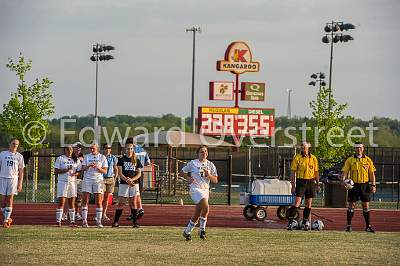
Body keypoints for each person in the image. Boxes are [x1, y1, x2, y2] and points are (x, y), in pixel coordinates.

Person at [180, 145, 218, 241]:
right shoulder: (193, 163)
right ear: (198, 154)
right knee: (206, 207)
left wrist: (208, 175)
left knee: (197, 214)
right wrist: (188, 178)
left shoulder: (210, 165)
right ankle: (202, 230)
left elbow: (215, 180)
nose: (204, 153)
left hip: (205, 189)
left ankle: (187, 232)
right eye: (201, 151)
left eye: (205, 151)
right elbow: (182, 172)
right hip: (195, 189)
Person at [341, 142, 377, 233]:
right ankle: (348, 226)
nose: (358, 149)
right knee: (351, 205)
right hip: (353, 186)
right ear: (354, 149)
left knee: (365, 205)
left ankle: (368, 226)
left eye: (360, 148)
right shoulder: (350, 160)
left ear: (363, 148)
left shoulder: (368, 160)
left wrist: (373, 185)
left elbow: (372, 174)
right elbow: (345, 172)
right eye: (357, 148)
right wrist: (343, 181)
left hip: (365, 185)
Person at [286, 142, 320, 231]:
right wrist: (293, 185)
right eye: (302, 147)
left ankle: (305, 222)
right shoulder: (297, 158)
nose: (303, 149)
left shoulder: (313, 158)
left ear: (308, 148)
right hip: (301, 181)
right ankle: (290, 222)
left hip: (311, 182)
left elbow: (316, 172)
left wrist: (317, 183)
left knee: (308, 203)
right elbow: (293, 172)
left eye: (305, 147)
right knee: (297, 202)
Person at [112, 142, 143, 228]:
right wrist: (127, 180)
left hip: (134, 184)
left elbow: (139, 174)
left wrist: (131, 180)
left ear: (133, 150)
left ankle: (135, 222)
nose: (129, 150)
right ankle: (116, 222)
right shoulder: (121, 160)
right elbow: (120, 173)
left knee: (133, 203)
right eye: (128, 149)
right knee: (121, 203)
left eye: (131, 149)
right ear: (125, 150)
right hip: (124, 184)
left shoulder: (137, 160)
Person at [80, 143, 108, 227]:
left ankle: (99, 221)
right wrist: (88, 165)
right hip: (87, 179)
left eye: (93, 148)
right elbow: (82, 169)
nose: (92, 150)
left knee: (99, 201)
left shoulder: (102, 157)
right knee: (85, 200)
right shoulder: (87, 156)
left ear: (97, 149)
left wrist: (98, 167)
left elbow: (105, 171)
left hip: (98, 180)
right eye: (91, 148)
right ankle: (84, 221)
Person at [0, 138, 25, 228]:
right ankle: (7, 217)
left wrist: (20, 183)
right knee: (2, 201)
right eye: (13, 143)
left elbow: (21, 171)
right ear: (10, 143)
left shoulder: (19, 156)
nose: (15, 145)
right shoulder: (2, 154)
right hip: (2, 178)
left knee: (10, 200)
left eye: (17, 144)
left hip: (13, 179)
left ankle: (6, 221)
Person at [54, 145, 80, 227]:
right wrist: (66, 170)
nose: (69, 150)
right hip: (63, 182)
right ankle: (58, 221)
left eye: (71, 149)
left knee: (72, 202)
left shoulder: (76, 159)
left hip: (72, 182)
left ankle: (72, 221)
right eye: (67, 149)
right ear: (65, 150)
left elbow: (79, 171)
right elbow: (56, 171)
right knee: (61, 201)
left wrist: (75, 173)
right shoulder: (60, 158)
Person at [126, 139, 150, 221]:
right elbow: (148, 162)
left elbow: (127, 160)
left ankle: (133, 213)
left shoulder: (130, 150)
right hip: (141, 173)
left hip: (132, 173)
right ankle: (140, 208)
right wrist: (141, 165)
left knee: (131, 195)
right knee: (137, 193)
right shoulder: (143, 150)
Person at [102, 143, 118, 222]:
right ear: (103, 149)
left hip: (110, 179)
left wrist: (115, 178)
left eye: (109, 148)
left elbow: (116, 168)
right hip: (101, 179)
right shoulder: (101, 157)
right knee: (100, 198)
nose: (107, 149)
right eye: (106, 148)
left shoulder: (114, 158)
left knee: (106, 198)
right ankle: (98, 214)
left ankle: (103, 214)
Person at [73, 142, 84, 221]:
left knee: (79, 198)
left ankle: (77, 213)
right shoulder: (70, 156)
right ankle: (66, 213)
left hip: (80, 179)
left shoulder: (83, 157)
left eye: (79, 147)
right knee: (71, 197)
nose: (78, 148)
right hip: (71, 179)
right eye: (76, 147)